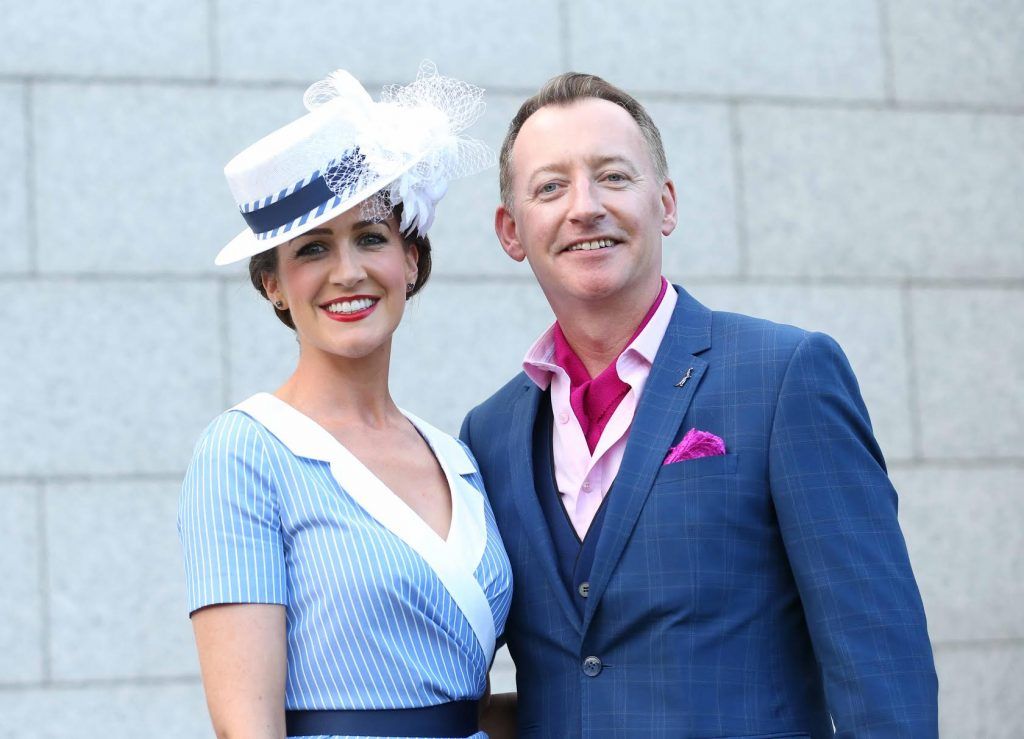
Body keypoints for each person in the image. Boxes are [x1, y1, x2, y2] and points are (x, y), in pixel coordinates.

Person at [460, 73, 938, 737]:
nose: (585, 206)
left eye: (613, 176)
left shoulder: (784, 376)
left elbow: (881, 670)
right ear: (512, 231)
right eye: (550, 187)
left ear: (666, 203)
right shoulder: (488, 435)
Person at [178, 62, 512, 739]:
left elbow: (465, 706)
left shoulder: (458, 457)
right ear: (273, 283)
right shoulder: (244, 452)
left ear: (410, 259)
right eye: (312, 249)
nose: (349, 271)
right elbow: (248, 726)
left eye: (370, 236)